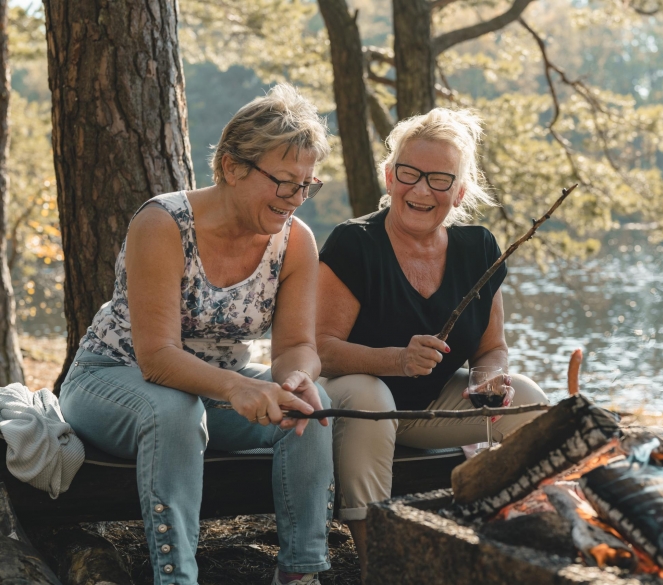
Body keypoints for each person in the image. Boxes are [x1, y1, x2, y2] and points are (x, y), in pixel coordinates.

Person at [59, 84, 334, 585]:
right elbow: (158, 358)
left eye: (306, 185)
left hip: (211, 393)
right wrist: (238, 387)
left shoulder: (296, 242)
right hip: (111, 381)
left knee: (310, 410)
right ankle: (176, 578)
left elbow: (297, 346)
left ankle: (300, 573)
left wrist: (295, 379)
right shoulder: (163, 222)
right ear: (232, 167)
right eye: (283, 182)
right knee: (175, 410)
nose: (295, 199)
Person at [316, 108, 549, 572]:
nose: (421, 190)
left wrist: (488, 380)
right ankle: (377, 562)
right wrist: (397, 360)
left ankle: (525, 541)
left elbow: (491, 347)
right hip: (348, 403)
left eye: (440, 180)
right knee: (370, 393)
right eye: (409, 173)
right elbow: (320, 348)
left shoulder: (478, 247)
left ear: (459, 191)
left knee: (527, 399)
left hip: (426, 411)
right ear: (389, 176)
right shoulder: (352, 244)